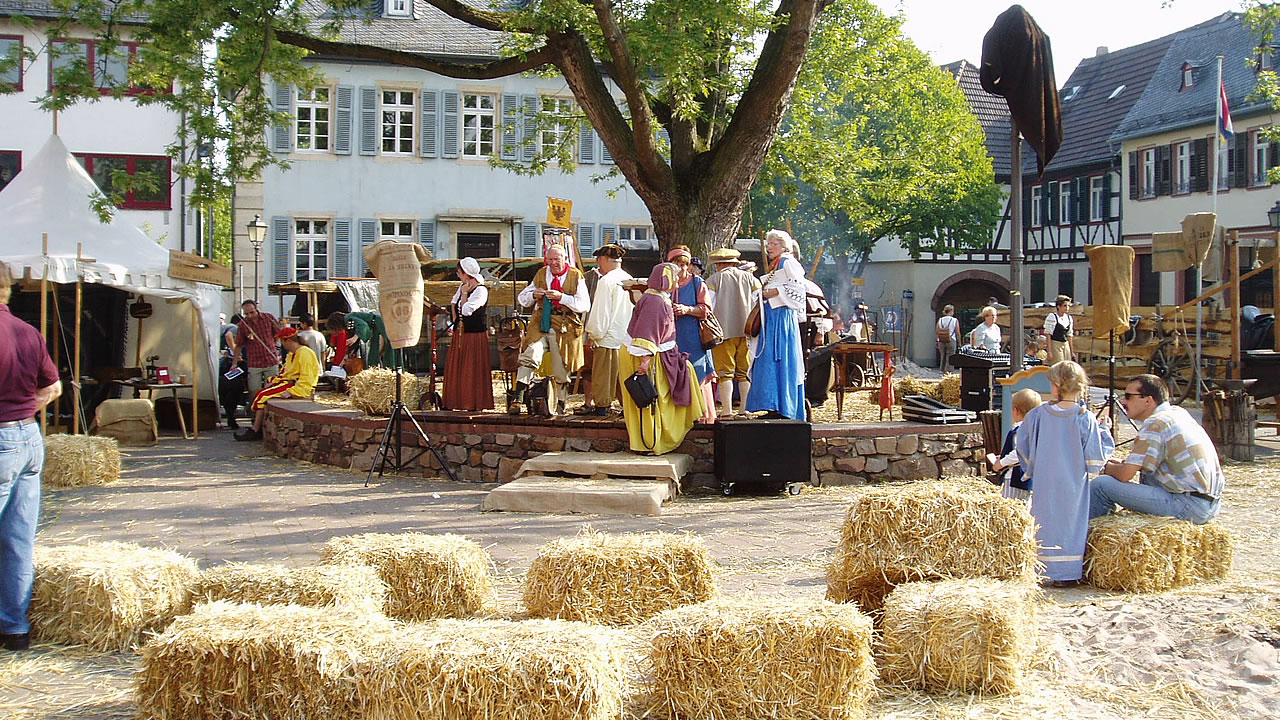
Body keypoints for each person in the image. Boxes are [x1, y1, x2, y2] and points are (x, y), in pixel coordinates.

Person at [0, 263, 62, 651]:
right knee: (18, 538)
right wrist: (23, 412)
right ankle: (14, 626)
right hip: (27, 435)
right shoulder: (27, 331)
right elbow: (53, 387)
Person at [1016, 361, 1115, 585]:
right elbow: (1095, 460)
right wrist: (1105, 432)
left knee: (1044, 522)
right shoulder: (1085, 418)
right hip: (1073, 486)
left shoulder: (1038, 415)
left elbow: (1023, 445)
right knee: (1071, 523)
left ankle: (1043, 569)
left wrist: (1030, 469)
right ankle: (1068, 573)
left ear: (1057, 385)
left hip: (1045, 482)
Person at [1089, 374, 1224, 524]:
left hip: (1188, 505)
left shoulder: (1155, 422)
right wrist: (1122, 463)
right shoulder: (1177, 413)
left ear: (1148, 400)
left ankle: (1088, 539)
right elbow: (1148, 464)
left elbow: (1124, 475)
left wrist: (1105, 466)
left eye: (1128, 396)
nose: (1123, 402)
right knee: (1148, 475)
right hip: (1210, 505)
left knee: (1100, 485)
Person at [618, 263, 705, 454]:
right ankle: (650, 441)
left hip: (656, 353)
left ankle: (653, 439)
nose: (678, 279)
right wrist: (646, 359)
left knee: (661, 395)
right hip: (644, 355)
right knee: (649, 398)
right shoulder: (654, 301)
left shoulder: (657, 298)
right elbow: (647, 331)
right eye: (674, 276)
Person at [510, 245, 590, 416]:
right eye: (551, 259)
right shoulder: (541, 274)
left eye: (557, 259)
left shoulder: (575, 276)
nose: (554, 263)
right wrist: (533, 295)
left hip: (565, 325)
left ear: (564, 259)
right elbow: (523, 299)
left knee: (562, 366)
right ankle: (517, 399)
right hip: (541, 322)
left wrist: (562, 297)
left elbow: (584, 305)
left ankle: (559, 404)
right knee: (530, 354)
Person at [745, 229, 806, 420]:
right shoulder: (777, 264)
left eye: (773, 244)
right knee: (770, 360)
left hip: (781, 319)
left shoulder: (788, 262)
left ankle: (784, 407)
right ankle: (772, 405)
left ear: (784, 246)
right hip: (772, 318)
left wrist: (773, 292)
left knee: (781, 359)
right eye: (768, 244)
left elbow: (797, 291)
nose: (769, 248)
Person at [234, 327, 321, 441]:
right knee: (261, 393)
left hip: (296, 386)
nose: (282, 344)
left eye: (282, 341)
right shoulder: (292, 353)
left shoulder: (305, 353)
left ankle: (256, 430)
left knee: (263, 396)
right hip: (288, 382)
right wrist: (274, 381)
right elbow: (286, 372)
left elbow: (307, 377)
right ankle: (257, 426)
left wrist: (292, 391)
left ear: (288, 340)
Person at [578, 244, 632, 417]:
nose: (598, 264)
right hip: (625, 337)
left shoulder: (606, 281)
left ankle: (602, 406)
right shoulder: (629, 279)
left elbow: (601, 311)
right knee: (622, 376)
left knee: (603, 376)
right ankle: (627, 407)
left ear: (605, 259)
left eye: (599, 260)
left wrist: (594, 334)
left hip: (608, 336)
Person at [706, 247, 760, 417]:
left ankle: (727, 410)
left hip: (723, 332)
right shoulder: (752, 279)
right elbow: (759, 305)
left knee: (725, 373)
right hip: (748, 332)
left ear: (719, 264)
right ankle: (744, 408)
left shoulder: (713, 280)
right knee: (744, 373)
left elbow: (709, 307)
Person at [668, 246, 716, 423]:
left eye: (684, 264)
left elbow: (706, 310)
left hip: (693, 336)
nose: (681, 268)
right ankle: (680, 420)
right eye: (677, 264)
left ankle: (703, 417)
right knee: (675, 375)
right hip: (671, 337)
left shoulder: (697, 283)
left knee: (698, 374)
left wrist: (687, 309)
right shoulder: (666, 283)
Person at [443, 257, 493, 411]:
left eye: (459, 273)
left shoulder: (481, 290)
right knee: (458, 367)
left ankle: (472, 402)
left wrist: (464, 295)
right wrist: (456, 322)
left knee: (472, 369)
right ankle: (455, 402)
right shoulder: (463, 286)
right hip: (461, 333)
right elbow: (454, 303)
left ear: (466, 273)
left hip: (474, 335)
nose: (458, 275)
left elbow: (467, 311)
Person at [988, 388, 1043, 502]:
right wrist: (1003, 456)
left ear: (1016, 411)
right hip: (1030, 476)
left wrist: (1001, 463)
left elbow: (1019, 453)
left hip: (1015, 478)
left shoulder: (1021, 430)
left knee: (1010, 509)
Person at [234, 300, 282, 396]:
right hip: (254, 362)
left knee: (272, 388)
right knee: (253, 390)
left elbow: (278, 334)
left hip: (270, 359)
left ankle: (268, 410)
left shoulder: (268, 318)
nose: (250, 316)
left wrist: (272, 345)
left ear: (257, 309)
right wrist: (234, 363)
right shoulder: (243, 324)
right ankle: (255, 409)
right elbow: (238, 345)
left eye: (252, 312)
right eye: (247, 314)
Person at [218, 313, 247, 429]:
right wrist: (236, 352)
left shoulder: (223, 328)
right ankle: (231, 416)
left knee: (226, 390)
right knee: (233, 388)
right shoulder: (235, 328)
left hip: (223, 365)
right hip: (230, 366)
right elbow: (229, 336)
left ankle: (230, 415)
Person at [1043, 294, 1074, 364]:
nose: (1067, 308)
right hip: (1055, 344)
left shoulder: (1069, 318)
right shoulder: (1052, 317)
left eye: (1068, 306)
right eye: (1065, 306)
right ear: (1058, 306)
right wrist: (1049, 351)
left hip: (1065, 344)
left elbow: (1070, 335)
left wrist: (1072, 352)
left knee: (1067, 364)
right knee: (1058, 364)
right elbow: (1048, 334)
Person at [936, 304, 959, 372]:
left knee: (942, 355)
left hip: (941, 340)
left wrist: (937, 340)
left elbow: (937, 331)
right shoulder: (954, 320)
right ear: (951, 311)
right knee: (950, 356)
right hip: (951, 339)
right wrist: (959, 342)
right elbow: (957, 332)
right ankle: (949, 371)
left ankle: (942, 370)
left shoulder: (940, 320)